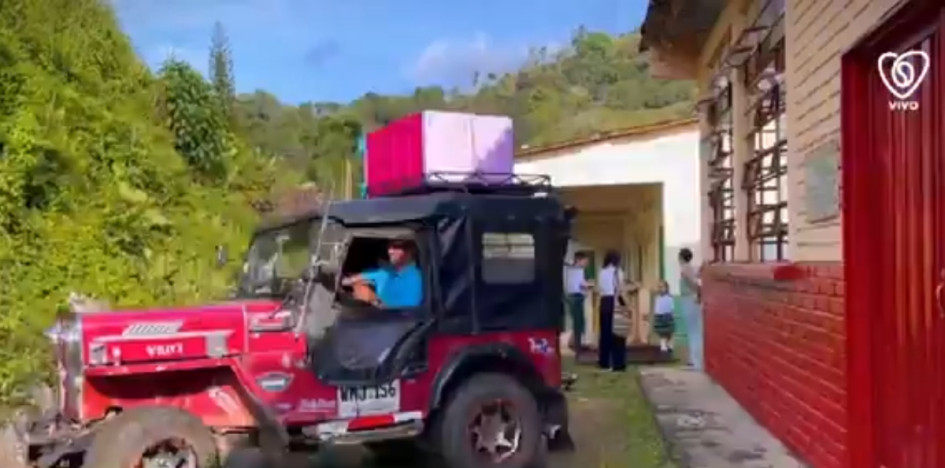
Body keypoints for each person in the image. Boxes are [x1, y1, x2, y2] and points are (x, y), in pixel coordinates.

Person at [341, 239, 423, 308]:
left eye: (396, 247)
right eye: (389, 246)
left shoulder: (414, 280)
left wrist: (371, 298)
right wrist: (353, 282)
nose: (390, 251)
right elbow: (351, 279)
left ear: (410, 251)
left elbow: (402, 317)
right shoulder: (388, 271)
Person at [597, 250, 627, 372]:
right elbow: (620, 289)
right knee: (619, 332)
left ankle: (604, 361)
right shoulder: (619, 272)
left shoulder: (602, 272)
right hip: (616, 301)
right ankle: (618, 362)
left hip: (605, 301)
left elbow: (600, 288)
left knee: (605, 332)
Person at [678, 248, 703, 370]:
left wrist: (698, 292)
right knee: (694, 330)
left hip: (689, 299)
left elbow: (693, 283)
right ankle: (694, 360)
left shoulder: (685, 269)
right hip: (691, 298)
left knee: (693, 331)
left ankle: (696, 362)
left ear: (681, 257)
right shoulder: (691, 268)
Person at [564, 252, 591, 351]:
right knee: (578, 322)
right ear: (579, 260)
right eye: (585, 261)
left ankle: (574, 342)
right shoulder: (574, 270)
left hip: (576, 296)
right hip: (575, 297)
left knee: (579, 322)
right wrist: (589, 286)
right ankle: (576, 344)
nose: (587, 263)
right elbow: (580, 284)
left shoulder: (574, 270)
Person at [653, 279, 676, 354]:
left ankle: (670, 345)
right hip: (660, 315)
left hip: (668, 315)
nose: (660, 288)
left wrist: (672, 314)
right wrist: (656, 314)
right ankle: (663, 345)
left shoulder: (670, 297)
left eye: (662, 287)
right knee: (662, 332)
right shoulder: (657, 297)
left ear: (666, 288)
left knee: (670, 331)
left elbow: (672, 307)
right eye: (659, 287)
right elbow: (657, 307)